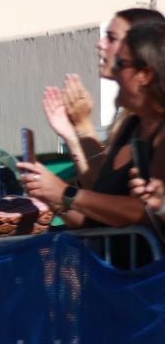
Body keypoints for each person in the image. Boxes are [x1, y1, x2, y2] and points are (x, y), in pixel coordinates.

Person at [20, 20, 165, 229]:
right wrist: (52, 198)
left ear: (145, 75)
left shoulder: (160, 132)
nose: (114, 72)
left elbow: (140, 212)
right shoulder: (132, 127)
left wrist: (64, 193)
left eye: (120, 65)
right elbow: (99, 221)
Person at [39, 8, 165, 173]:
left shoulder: (152, 124)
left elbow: (107, 193)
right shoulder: (131, 122)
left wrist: (64, 194)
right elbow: (101, 185)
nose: (100, 44)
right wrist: (72, 133)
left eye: (112, 38)